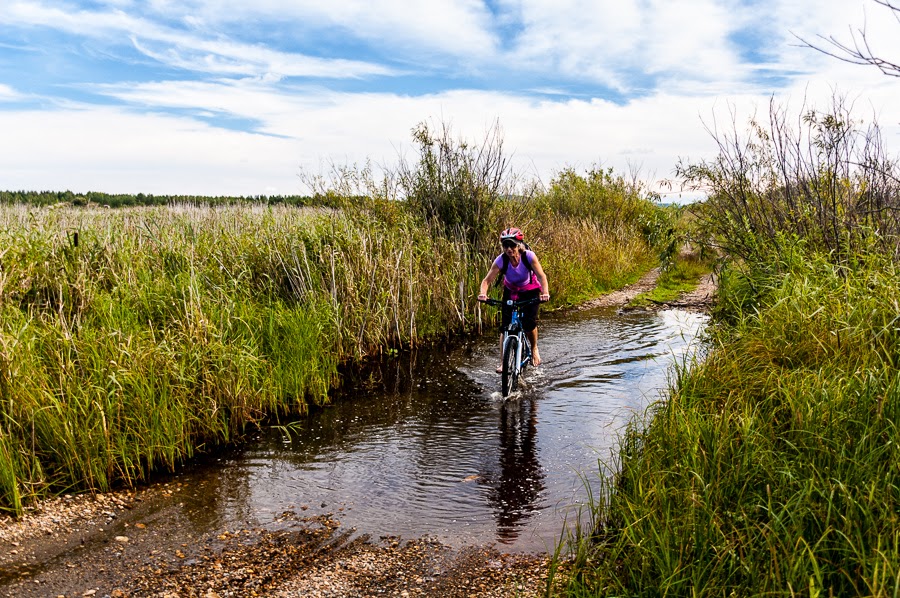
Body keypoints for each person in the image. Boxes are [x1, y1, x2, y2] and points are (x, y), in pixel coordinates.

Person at [477, 227, 550, 371]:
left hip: (530, 290)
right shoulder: (501, 260)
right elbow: (486, 281)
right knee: (505, 328)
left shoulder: (529, 256)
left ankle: (534, 349)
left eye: (512, 245)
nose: (509, 249)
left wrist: (545, 292)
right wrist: (483, 293)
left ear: (519, 245)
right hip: (511, 291)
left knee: (529, 323)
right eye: (505, 246)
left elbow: (542, 276)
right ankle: (503, 362)